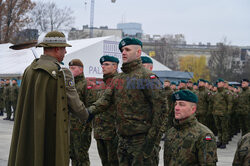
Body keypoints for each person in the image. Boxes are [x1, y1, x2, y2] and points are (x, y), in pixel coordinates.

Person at [8, 31, 89, 166]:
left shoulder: (29, 70)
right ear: (57, 49)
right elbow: (74, 104)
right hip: (53, 131)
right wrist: (87, 114)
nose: (65, 53)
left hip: (31, 130)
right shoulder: (62, 72)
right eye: (64, 49)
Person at [88, 37, 165, 165]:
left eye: (127, 49)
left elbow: (161, 110)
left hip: (142, 140)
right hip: (122, 141)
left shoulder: (147, 77)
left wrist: (152, 141)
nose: (123, 52)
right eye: (122, 50)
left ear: (138, 52)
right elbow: (105, 100)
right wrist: (87, 112)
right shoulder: (119, 79)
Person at [164, 90, 218, 166]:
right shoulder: (171, 132)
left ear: (193, 109)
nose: (176, 108)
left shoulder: (203, 135)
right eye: (176, 104)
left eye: (181, 105)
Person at [69, 59, 97, 166]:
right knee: (72, 155)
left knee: (81, 156)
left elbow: (91, 107)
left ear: (81, 70)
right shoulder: (70, 85)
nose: (71, 70)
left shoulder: (87, 85)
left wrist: (86, 125)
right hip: (70, 127)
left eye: (73, 68)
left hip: (81, 128)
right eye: (70, 68)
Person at [93, 55, 119, 166]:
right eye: (102, 64)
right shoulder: (102, 85)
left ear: (115, 66)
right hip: (100, 133)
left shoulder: (119, 83)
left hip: (113, 133)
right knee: (105, 163)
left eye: (107, 64)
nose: (103, 67)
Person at [212, 78, 231, 149]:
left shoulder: (226, 93)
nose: (218, 84)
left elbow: (230, 103)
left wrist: (228, 112)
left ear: (223, 84)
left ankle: (224, 142)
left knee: (224, 128)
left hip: (223, 113)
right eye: (218, 83)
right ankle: (219, 141)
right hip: (216, 113)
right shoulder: (216, 93)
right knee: (219, 128)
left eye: (220, 83)